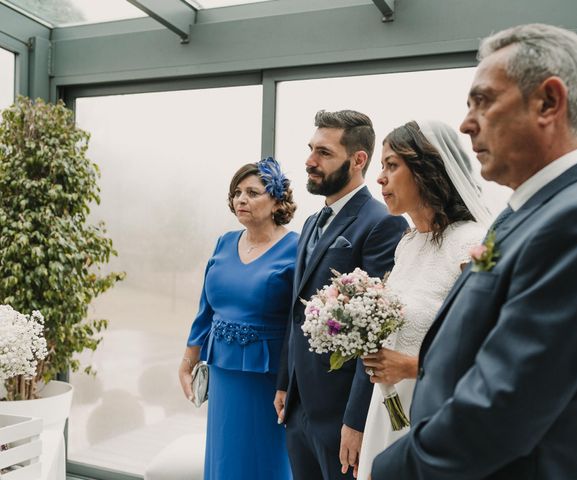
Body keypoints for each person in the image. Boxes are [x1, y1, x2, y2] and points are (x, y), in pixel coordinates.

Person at [370, 23, 577, 480]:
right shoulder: (528, 213)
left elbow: (505, 404)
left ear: (548, 103)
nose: (465, 123)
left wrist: (393, 468)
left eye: (484, 100)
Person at [274, 110, 408, 480]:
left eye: (324, 153)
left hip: (341, 414)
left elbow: (380, 330)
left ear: (358, 159)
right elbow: (297, 310)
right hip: (299, 406)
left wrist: (356, 419)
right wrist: (286, 381)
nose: (310, 161)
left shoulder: (382, 223)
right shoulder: (310, 222)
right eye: (310, 149)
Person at [356, 119, 492, 479]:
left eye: (391, 165)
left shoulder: (471, 243)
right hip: (386, 410)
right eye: (380, 167)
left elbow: (489, 352)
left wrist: (412, 367)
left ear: (426, 171)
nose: (380, 178)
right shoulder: (407, 244)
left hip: (436, 416)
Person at [179, 157, 298, 480]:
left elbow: (298, 321)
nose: (241, 200)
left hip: (269, 378)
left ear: (276, 200)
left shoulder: (297, 248)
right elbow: (206, 307)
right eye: (237, 193)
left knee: (264, 460)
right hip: (223, 373)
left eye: (252, 192)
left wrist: (291, 382)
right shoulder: (224, 242)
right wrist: (189, 358)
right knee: (225, 457)